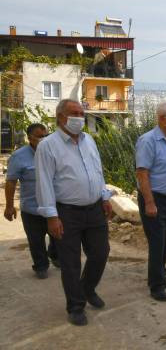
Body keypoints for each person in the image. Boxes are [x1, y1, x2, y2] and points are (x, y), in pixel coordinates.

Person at [35, 99, 113, 326]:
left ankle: (87, 289)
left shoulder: (89, 140)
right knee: (70, 262)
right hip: (66, 212)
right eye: (74, 113)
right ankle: (76, 306)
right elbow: (45, 183)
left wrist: (104, 196)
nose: (80, 117)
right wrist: (51, 217)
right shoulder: (48, 146)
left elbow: (97, 171)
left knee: (100, 253)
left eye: (81, 112)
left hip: (95, 208)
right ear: (61, 117)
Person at [135, 102, 166, 302]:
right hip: (155, 199)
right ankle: (156, 286)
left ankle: (159, 276)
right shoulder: (148, 141)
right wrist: (149, 202)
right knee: (157, 242)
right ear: (162, 118)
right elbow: (142, 172)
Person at [5, 123, 58, 279]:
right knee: (36, 241)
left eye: (45, 136)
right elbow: (11, 181)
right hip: (31, 208)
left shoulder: (53, 153)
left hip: (53, 206)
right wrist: (9, 206)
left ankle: (54, 254)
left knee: (58, 236)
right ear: (30, 138)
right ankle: (41, 265)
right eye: (39, 136)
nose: (43, 139)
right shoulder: (18, 156)